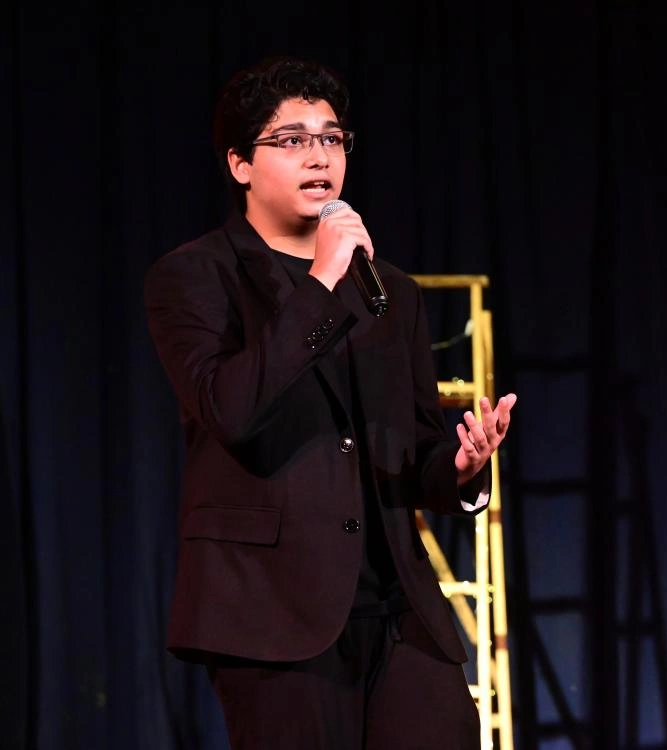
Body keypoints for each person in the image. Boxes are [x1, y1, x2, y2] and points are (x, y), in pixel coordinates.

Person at [143, 56, 516, 749]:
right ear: (239, 164)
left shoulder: (390, 290)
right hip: (272, 615)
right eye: (292, 140)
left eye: (332, 138)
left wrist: (462, 469)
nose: (320, 156)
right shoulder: (194, 276)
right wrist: (319, 285)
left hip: (400, 611)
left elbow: (414, 450)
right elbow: (229, 409)